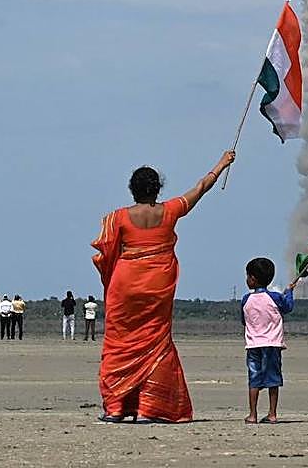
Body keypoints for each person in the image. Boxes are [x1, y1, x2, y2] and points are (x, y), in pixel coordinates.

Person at [90, 149, 235, 422]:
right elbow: (201, 188)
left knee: (119, 342)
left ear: (132, 189)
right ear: (157, 188)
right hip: (157, 284)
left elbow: (106, 253)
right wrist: (222, 163)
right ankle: (148, 408)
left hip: (126, 283)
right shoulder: (170, 210)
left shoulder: (118, 217)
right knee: (156, 342)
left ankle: (116, 407)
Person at [239, 258, 295, 424]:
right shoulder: (276, 297)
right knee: (273, 379)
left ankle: (252, 414)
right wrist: (289, 292)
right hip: (272, 344)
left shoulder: (245, 299)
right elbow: (288, 307)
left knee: (254, 379)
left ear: (253, 279)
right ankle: (272, 413)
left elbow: (244, 320)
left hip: (254, 345)